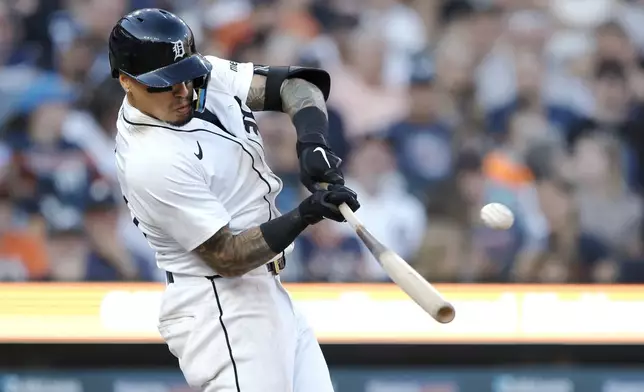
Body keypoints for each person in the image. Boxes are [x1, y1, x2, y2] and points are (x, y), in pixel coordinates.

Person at [109, 8, 360, 392]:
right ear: (127, 82)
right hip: (219, 306)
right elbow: (228, 256)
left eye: (186, 76)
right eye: (165, 83)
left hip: (268, 292)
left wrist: (312, 142)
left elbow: (298, 86)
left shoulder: (204, 75)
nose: (183, 91)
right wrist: (306, 214)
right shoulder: (150, 158)